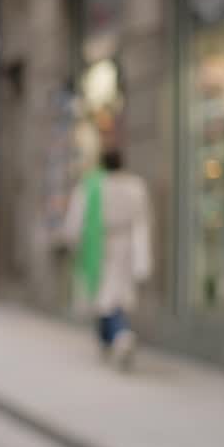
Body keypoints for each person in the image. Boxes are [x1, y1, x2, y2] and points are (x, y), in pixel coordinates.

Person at [61, 148, 153, 369]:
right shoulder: (135, 186)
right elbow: (142, 221)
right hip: (125, 245)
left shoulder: (91, 187)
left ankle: (120, 336)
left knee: (106, 297)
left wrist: (72, 242)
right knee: (113, 296)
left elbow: (75, 219)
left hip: (99, 245)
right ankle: (109, 340)